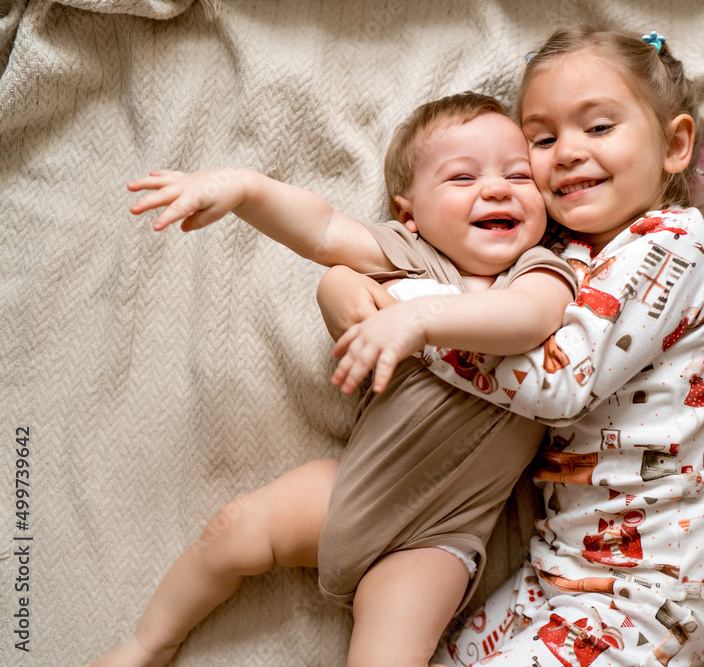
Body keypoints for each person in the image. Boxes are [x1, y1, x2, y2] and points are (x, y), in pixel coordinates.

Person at [88, 92, 576, 667]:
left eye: (518, 176)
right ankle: (149, 642)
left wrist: (418, 320)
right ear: (410, 215)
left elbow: (526, 320)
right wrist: (246, 189)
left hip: (436, 538)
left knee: (385, 653)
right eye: (462, 177)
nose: (496, 189)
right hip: (350, 488)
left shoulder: (540, 271)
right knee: (234, 527)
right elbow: (320, 229)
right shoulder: (410, 256)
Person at [324, 25, 704, 667]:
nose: (568, 152)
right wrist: (342, 283)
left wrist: (409, 318)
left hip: (646, 593)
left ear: (674, 145)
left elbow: (559, 382)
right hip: (557, 569)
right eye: (543, 140)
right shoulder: (557, 250)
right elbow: (436, 266)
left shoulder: (673, 243)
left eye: (598, 127)